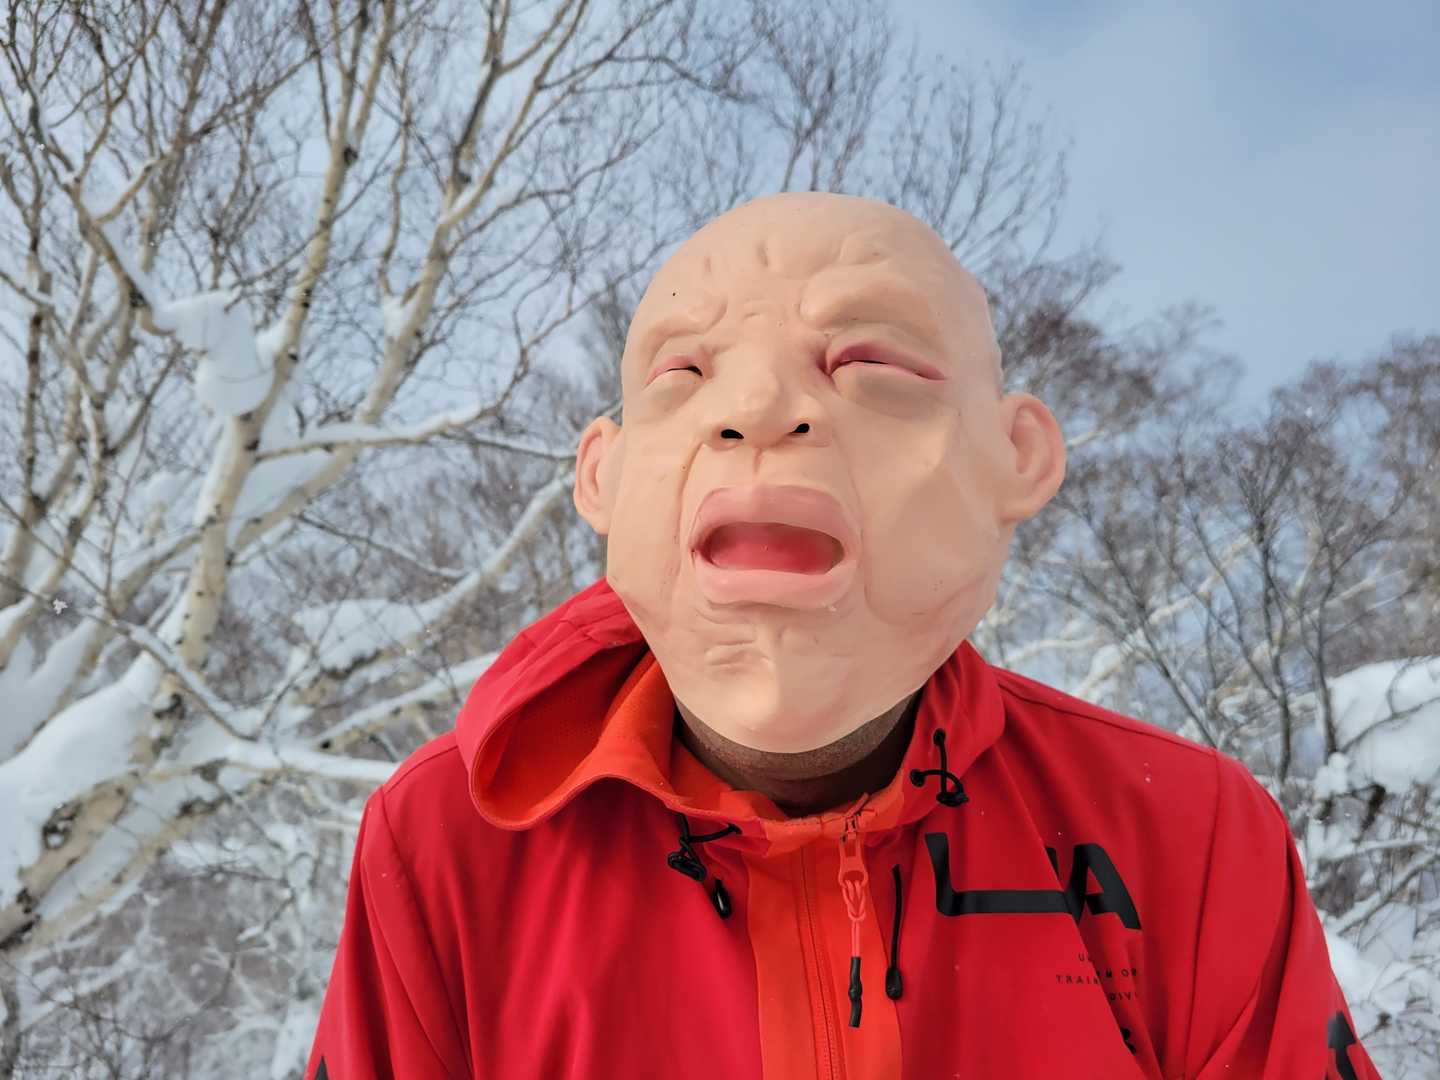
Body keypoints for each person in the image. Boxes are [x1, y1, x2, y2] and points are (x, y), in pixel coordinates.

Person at [307, 192, 1380, 1078]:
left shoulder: (1185, 837)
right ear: (603, 475)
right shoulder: (448, 844)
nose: (758, 407)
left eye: (871, 366)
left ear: (1017, 457)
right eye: (684, 376)